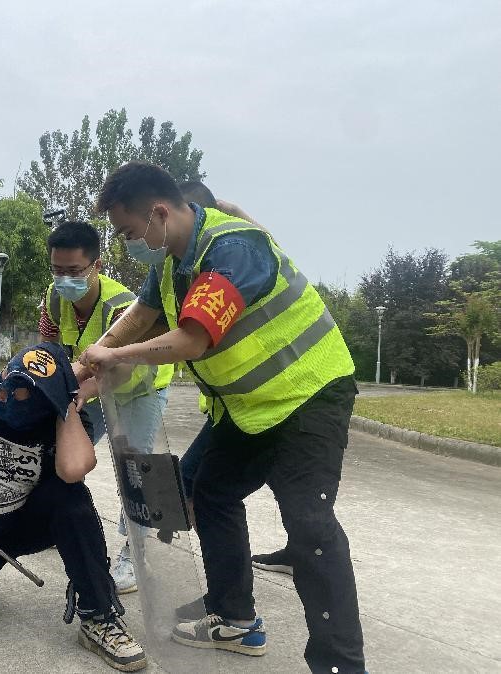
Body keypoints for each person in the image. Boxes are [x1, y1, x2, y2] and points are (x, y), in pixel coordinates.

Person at [78, 161, 366, 673]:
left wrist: (114, 358)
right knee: (208, 493)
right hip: (248, 408)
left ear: (159, 213)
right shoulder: (171, 264)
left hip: (309, 397)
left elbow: (193, 339)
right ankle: (234, 617)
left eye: (127, 231)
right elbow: (139, 317)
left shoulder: (234, 249)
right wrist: (81, 368)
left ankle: (341, 663)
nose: (127, 242)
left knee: (310, 527)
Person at [0, 342, 147, 672]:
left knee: (72, 497)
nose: (4, 395)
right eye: (7, 381)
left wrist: (67, 404)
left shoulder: (63, 418)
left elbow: (73, 469)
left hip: (31, 524)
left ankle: (98, 614)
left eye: (21, 393)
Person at [38, 220, 173, 594]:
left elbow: (125, 368)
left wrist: (83, 389)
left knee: (139, 471)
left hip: (142, 387)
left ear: (96, 265)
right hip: (93, 384)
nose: (64, 279)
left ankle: (136, 555)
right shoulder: (54, 298)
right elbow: (50, 347)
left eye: (73, 271)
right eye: (57, 270)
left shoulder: (123, 306)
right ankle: (54, 526)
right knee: (59, 451)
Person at [178, 182, 294, 577]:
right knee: (197, 485)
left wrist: (234, 213)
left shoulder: (235, 257)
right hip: (233, 405)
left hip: (275, 401)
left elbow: (269, 249)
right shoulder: (191, 265)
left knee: (205, 488)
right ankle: (229, 574)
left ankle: (235, 578)